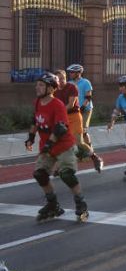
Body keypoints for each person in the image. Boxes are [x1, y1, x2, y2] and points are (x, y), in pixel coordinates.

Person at [26, 73, 88, 222]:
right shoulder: (37, 102)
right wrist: (31, 138)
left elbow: (60, 128)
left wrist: (49, 143)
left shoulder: (57, 104)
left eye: (41, 85)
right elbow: (35, 121)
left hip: (63, 145)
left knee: (66, 174)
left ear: (50, 88)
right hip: (47, 146)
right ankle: (53, 204)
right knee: (40, 174)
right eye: (37, 84)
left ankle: (81, 203)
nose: (37, 87)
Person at [54, 69, 103, 173]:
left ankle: (95, 158)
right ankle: (60, 167)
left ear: (66, 78)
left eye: (63, 78)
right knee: (61, 143)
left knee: (78, 142)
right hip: (63, 118)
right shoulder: (55, 91)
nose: (61, 81)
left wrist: (58, 112)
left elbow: (71, 104)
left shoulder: (72, 87)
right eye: (59, 79)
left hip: (74, 116)